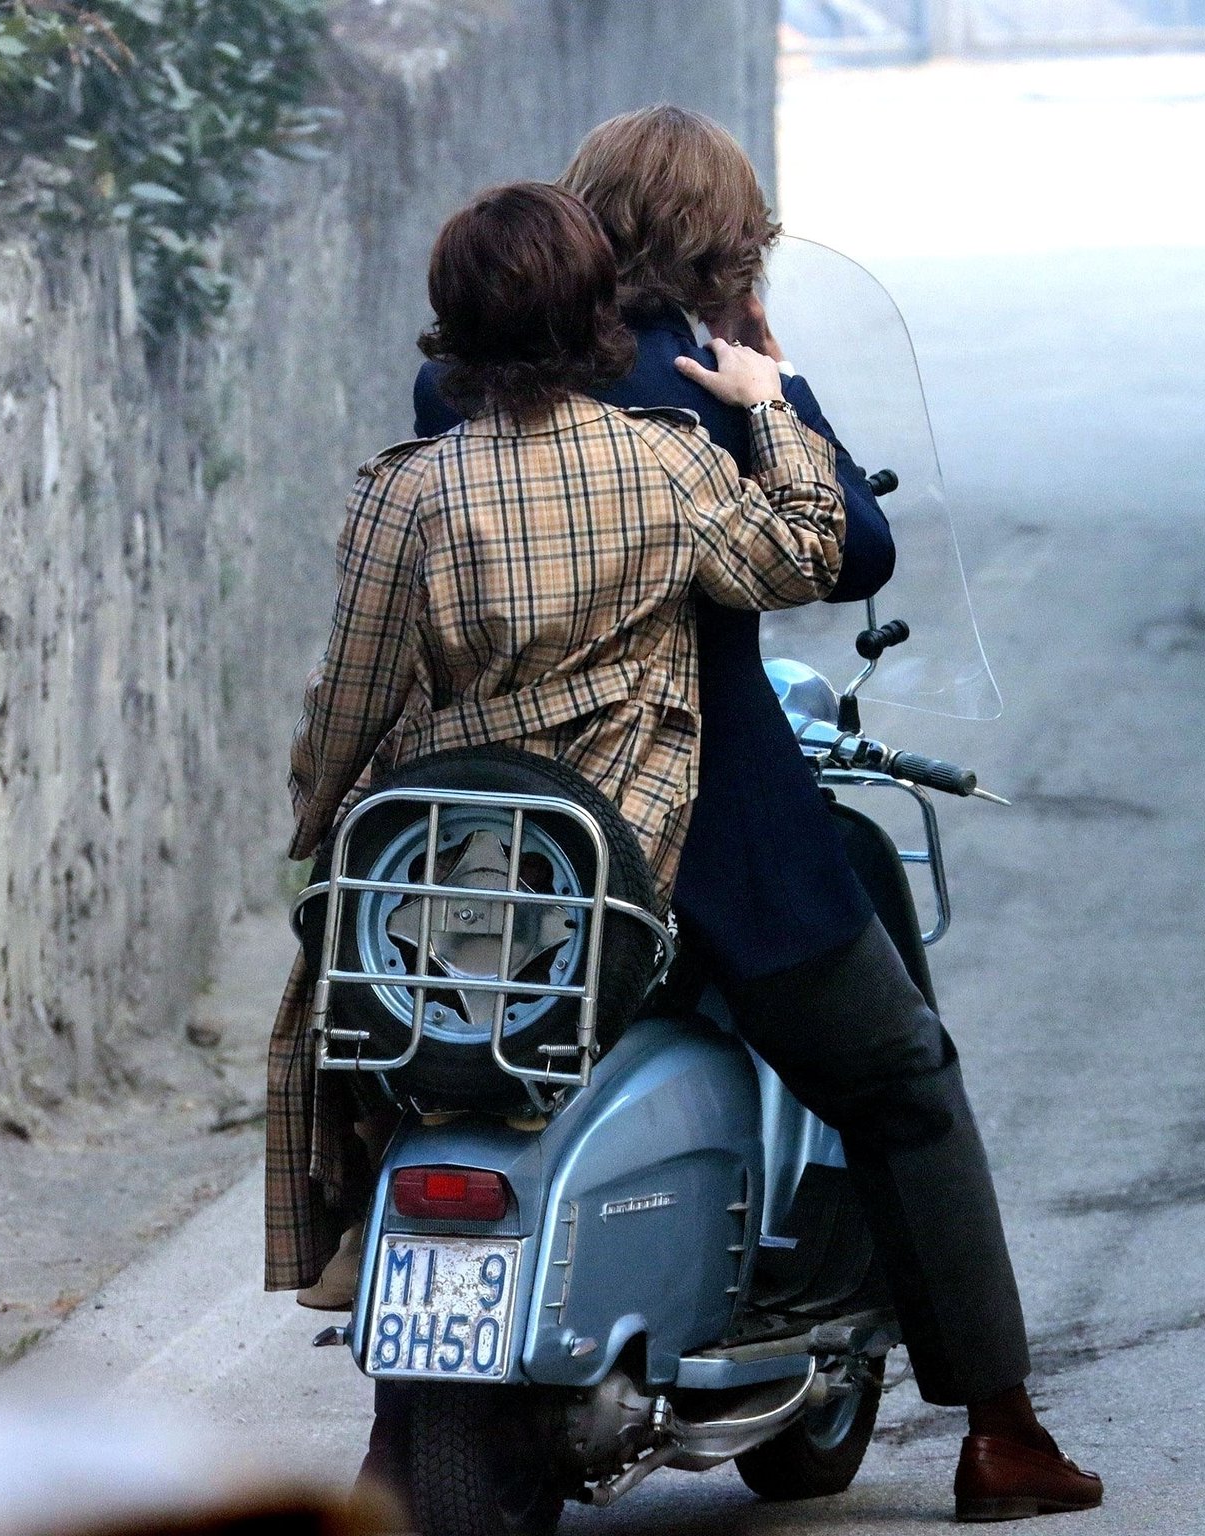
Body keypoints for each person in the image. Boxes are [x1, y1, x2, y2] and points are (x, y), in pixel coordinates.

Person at [415, 107, 1103, 1522]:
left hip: (520, 843)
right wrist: (770, 391)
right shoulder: (704, 387)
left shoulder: (464, 390)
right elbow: (854, 548)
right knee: (903, 1085)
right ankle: (1001, 1429)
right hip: (715, 848)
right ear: (735, 248)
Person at [262, 179, 847, 1488]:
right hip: (617, 877)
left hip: (448, 874)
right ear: (596, 317)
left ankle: (375, 1309)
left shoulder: (405, 494)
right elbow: (811, 553)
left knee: (360, 1016)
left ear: (451, 324)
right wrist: (776, 406)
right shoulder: (665, 462)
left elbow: (346, 709)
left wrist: (318, 830)